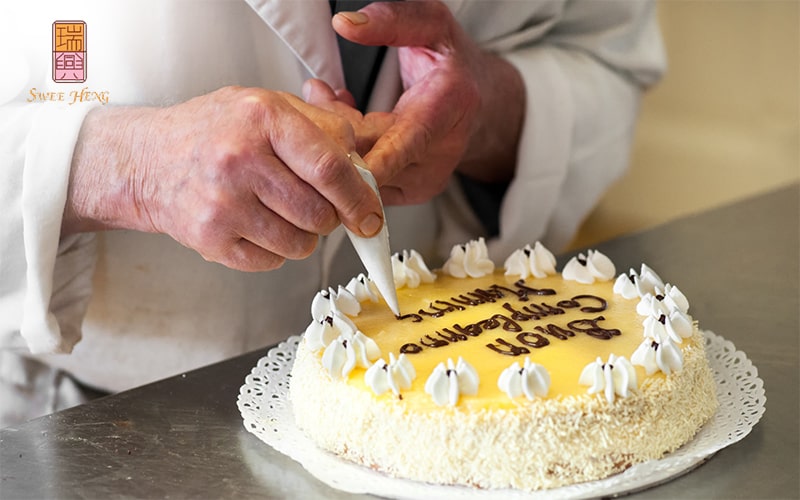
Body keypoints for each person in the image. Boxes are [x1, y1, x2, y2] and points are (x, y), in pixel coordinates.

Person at [0, 0, 665, 427]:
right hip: (106, 428)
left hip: (455, 408)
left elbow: (608, 57)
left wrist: (489, 111)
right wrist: (126, 169)